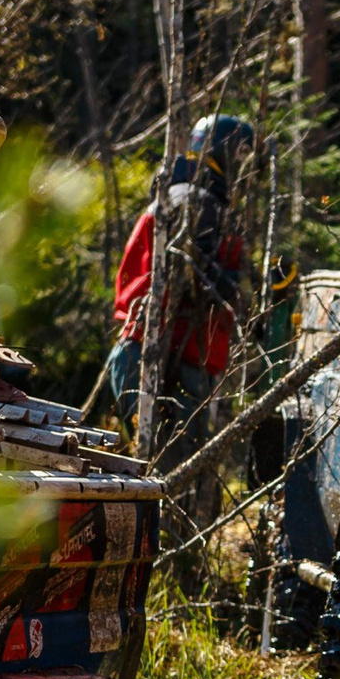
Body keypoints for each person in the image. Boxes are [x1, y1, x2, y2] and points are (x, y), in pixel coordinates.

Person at [107, 113, 253, 447]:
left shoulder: (187, 196)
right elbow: (191, 273)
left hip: (154, 352)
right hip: (164, 358)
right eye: (243, 156)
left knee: (160, 470)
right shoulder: (194, 201)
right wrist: (236, 289)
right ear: (226, 152)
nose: (245, 168)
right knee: (168, 476)